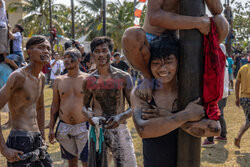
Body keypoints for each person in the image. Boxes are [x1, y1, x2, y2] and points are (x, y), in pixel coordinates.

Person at [131, 35, 221, 167]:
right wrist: (186, 115)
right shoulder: (141, 93)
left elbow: (214, 130)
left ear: (179, 62)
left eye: (169, 62)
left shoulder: (193, 91)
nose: (162, 69)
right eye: (156, 63)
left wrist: (168, 117)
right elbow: (143, 130)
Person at [122, 0, 229, 100]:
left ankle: (202, 70)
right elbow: (154, 17)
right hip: (152, 40)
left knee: (221, 22)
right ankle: (147, 77)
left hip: (180, 42)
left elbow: (217, 10)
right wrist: (198, 22)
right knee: (131, 34)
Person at [82, 37, 137, 166]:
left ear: (110, 53)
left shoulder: (123, 77)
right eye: (97, 51)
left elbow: (134, 106)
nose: (101, 54)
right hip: (97, 130)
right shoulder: (89, 80)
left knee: (127, 164)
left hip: (120, 128)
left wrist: (120, 116)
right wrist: (88, 115)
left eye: (104, 50)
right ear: (92, 54)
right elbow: (83, 106)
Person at [0, 36, 53, 166]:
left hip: (36, 138)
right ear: (28, 51)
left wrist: (42, 136)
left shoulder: (41, 77)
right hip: (20, 139)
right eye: (41, 48)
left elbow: (40, 108)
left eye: (48, 48)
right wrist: (4, 149)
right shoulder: (18, 76)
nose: (46, 51)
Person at [48, 48, 89, 167]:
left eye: (70, 57)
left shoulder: (87, 78)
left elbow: (94, 103)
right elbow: (55, 105)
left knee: (87, 161)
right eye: (65, 57)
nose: (67, 60)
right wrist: (51, 127)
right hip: (65, 127)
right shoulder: (58, 80)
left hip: (84, 127)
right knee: (71, 162)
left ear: (79, 60)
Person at [202, 43, 229, 147]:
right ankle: (222, 134)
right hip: (224, 92)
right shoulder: (225, 61)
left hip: (219, 93)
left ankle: (210, 139)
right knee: (220, 114)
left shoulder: (218, 61)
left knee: (212, 114)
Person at [234, 57, 250, 148]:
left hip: (244, 99)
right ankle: (238, 136)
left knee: (248, 119)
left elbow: (237, 83)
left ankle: (238, 137)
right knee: (248, 120)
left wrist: (237, 98)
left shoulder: (242, 68)